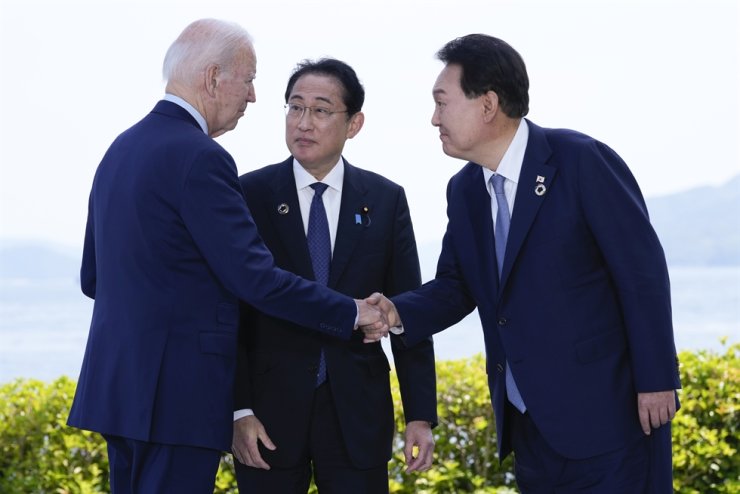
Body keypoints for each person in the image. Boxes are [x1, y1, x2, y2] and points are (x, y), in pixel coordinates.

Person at [66, 19, 387, 493]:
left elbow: (93, 278)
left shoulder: (122, 147)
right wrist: (351, 310)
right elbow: (255, 279)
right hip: (177, 397)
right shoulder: (202, 156)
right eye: (250, 78)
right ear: (214, 77)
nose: (254, 96)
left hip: (121, 392)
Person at [366, 34, 681, 492]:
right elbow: (456, 285)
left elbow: (642, 272)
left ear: (488, 103)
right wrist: (397, 312)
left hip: (611, 417)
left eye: (442, 102)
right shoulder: (465, 190)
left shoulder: (579, 160)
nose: (434, 119)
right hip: (528, 426)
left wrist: (657, 380)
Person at [231, 58, 438, 494]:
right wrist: (238, 410)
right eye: (295, 107)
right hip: (267, 417)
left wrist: (420, 414)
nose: (303, 123)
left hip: (355, 415)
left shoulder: (385, 200)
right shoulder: (248, 194)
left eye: (321, 110)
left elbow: (408, 310)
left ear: (354, 123)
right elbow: (229, 312)